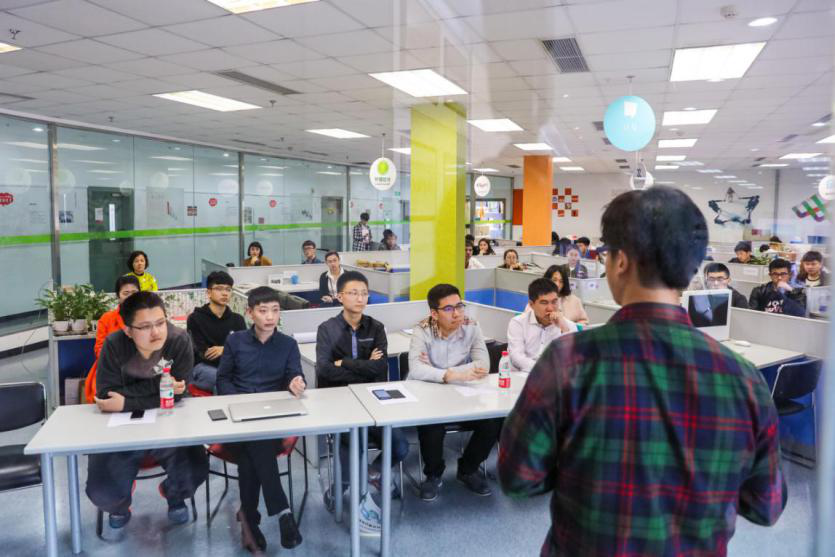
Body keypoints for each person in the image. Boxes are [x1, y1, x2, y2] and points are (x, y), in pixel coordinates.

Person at [499, 186, 786, 556]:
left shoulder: (568, 361)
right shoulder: (743, 378)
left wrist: (578, 465)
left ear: (621, 261)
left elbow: (518, 478)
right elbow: (766, 505)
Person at [86, 291, 208, 530]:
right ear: (128, 330)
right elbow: (107, 395)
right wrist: (160, 388)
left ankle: (174, 494)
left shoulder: (178, 340)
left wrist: (127, 401)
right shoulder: (114, 345)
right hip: (122, 426)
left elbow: (179, 391)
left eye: (161, 323)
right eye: (145, 327)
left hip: (168, 420)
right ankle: (120, 504)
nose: (156, 332)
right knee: (103, 489)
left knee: (194, 468)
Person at [315, 271, 409, 527]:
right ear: (340, 296)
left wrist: (344, 362)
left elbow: (380, 368)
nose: (360, 298)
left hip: (373, 400)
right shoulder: (327, 329)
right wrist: (365, 365)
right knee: (351, 449)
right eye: (353, 293)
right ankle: (342, 487)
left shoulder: (376, 327)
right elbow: (325, 370)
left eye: (364, 293)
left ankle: (373, 472)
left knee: (401, 447)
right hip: (340, 400)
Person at [216, 286, 305, 552]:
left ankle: (250, 519)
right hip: (238, 417)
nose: (270, 317)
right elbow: (223, 379)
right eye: (263, 311)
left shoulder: (288, 344)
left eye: (275, 311)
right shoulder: (235, 341)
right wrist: (239, 403)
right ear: (250, 313)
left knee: (253, 451)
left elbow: (295, 375)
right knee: (257, 445)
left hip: (273, 417)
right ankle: (282, 513)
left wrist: (296, 383)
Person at [408, 283, 502, 501]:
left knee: (492, 421)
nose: (457, 313)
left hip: (463, 393)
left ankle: (468, 469)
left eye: (459, 306)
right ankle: (433, 475)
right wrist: (451, 374)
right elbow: (416, 369)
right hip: (431, 394)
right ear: (434, 313)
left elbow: (483, 365)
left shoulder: (472, 326)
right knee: (431, 425)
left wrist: (440, 371)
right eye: (449, 309)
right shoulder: (422, 330)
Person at [83, 275, 141, 403]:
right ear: (118, 296)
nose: (131, 296)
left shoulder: (147, 317)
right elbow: (99, 350)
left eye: (134, 292)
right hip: (111, 372)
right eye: (126, 293)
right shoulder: (107, 319)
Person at [186, 270, 247, 392]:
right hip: (204, 367)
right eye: (219, 289)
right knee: (221, 380)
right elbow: (203, 353)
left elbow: (245, 349)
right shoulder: (195, 318)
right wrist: (232, 350)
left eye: (228, 289)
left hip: (232, 366)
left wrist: (224, 350)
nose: (224, 293)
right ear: (209, 292)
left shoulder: (238, 319)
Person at [507, 278, 576, 373]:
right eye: (544, 303)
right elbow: (517, 357)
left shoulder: (568, 326)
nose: (550, 308)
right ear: (531, 304)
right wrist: (543, 370)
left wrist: (564, 329)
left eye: (554, 302)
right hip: (522, 375)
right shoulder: (518, 323)